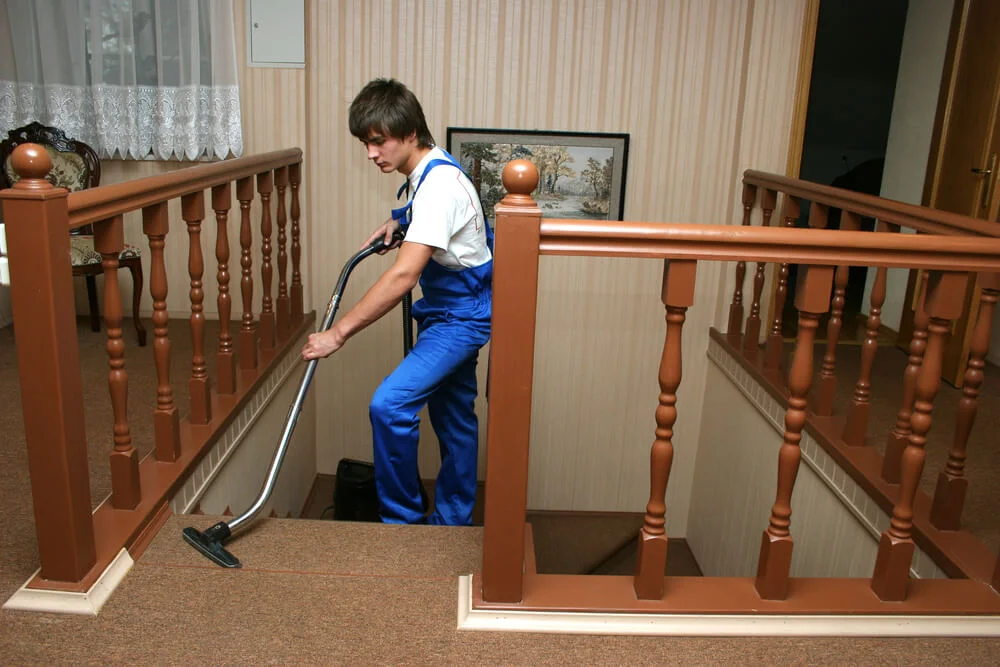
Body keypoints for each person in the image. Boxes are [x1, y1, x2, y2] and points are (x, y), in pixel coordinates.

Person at [301, 78, 493, 526]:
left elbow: (405, 275)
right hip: (450, 311)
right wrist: (399, 221)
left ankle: (402, 524)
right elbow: (437, 220)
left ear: (410, 133)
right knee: (455, 422)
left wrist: (338, 333)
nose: (371, 153)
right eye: (365, 143)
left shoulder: (439, 186)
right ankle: (452, 522)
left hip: (458, 319)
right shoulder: (428, 173)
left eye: (377, 141)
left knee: (389, 405)